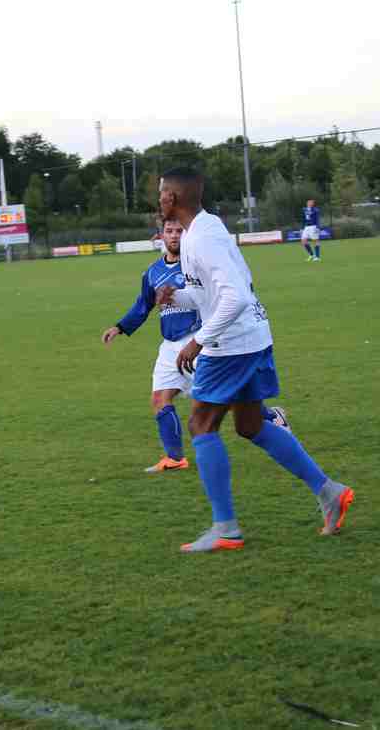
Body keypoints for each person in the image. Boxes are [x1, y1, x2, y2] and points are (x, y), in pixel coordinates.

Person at [156, 168, 353, 553]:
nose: (158, 198)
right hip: (251, 337)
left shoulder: (203, 238)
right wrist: (175, 297)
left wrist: (198, 341)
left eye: (161, 192)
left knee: (201, 424)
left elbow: (236, 298)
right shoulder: (204, 229)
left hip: (231, 345)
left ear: (172, 198)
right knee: (249, 425)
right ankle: (330, 492)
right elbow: (214, 294)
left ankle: (226, 530)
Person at [104, 217, 291, 474]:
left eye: (179, 231)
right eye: (169, 231)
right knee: (159, 398)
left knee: (229, 399)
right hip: (170, 344)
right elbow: (143, 305)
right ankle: (175, 458)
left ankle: (271, 417)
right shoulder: (153, 272)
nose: (174, 235)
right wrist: (120, 327)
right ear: (161, 235)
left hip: (199, 340)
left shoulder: (197, 264)